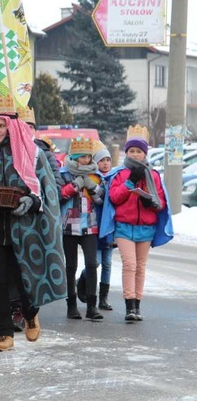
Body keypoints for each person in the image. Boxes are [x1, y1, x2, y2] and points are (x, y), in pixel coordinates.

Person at [0, 95, 65, 352]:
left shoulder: (33, 153)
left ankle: (30, 313)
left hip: (25, 227)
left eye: (1, 126)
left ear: (11, 126)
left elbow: (47, 191)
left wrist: (32, 201)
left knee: (24, 277)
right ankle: (4, 333)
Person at [101, 126, 172, 322]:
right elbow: (114, 197)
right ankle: (129, 306)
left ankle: (137, 305)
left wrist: (151, 202)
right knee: (129, 265)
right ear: (126, 152)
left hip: (146, 227)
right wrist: (130, 182)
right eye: (131, 150)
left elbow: (161, 203)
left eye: (138, 151)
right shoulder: (120, 174)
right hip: (124, 227)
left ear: (144, 153)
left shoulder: (154, 175)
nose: (134, 154)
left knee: (140, 267)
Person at [59, 137, 104, 320]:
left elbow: (101, 200)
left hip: (90, 226)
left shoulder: (96, 176)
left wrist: (92, 187)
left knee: (92, 265)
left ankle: (92, 307)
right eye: (83, 157)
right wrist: (75, 185)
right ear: (75, 157)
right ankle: (71, 306)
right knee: (70, 267)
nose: (87, 160)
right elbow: (59, 197)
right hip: (69, 226)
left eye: (89, 157)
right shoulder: (64, 174)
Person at [77, 141, 115, 311]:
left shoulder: (114, 177)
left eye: (108, 160)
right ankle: (83, 279)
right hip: (95, 226)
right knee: (96, 262)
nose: (105, 163)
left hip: (110, 229)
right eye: (102, 160)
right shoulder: (94, 178)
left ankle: (103, 299)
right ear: (96, 162)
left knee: (107, 263)